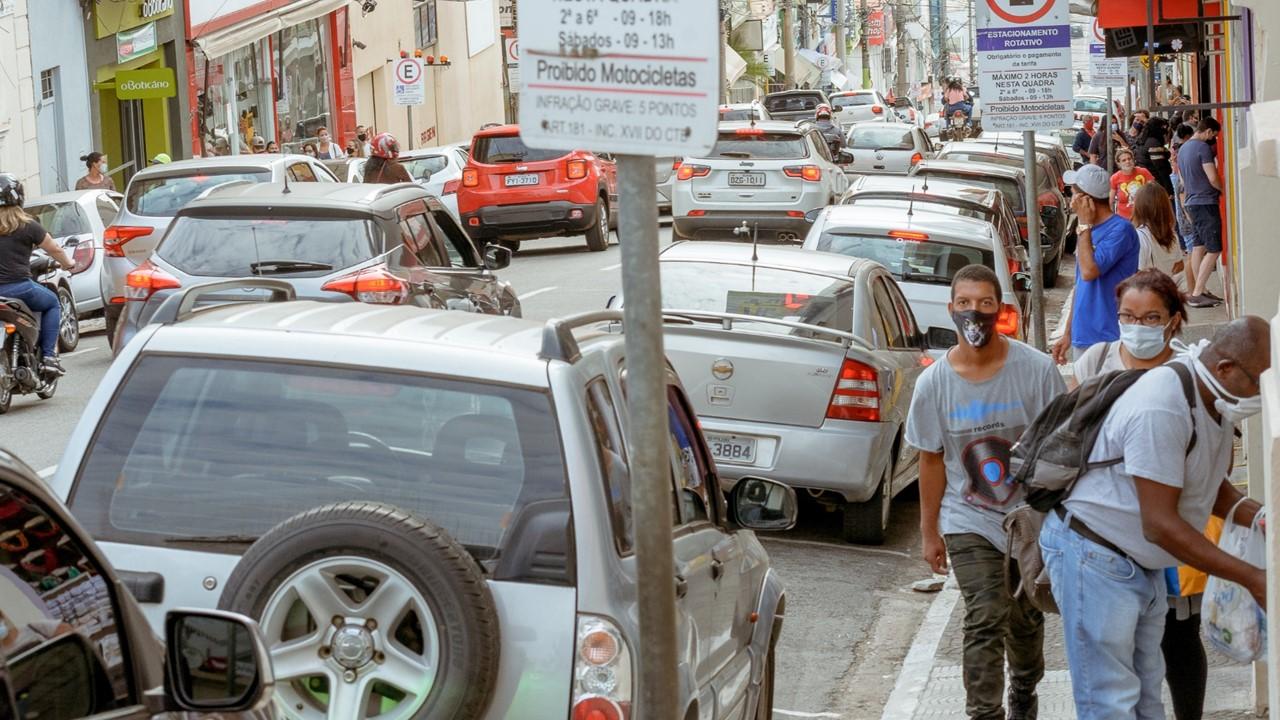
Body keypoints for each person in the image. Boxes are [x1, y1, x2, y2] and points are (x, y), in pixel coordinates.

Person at [1042, 316, 1269, 720]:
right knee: (1109, 701)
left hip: (1137, 563)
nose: (1260, 397)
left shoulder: (1210, 396)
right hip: (1096, 557)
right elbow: (1160, 523)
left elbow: (1210, 488)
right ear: (1226, 369)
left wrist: (1260, 517)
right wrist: (1251, 577)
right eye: (1258, 384)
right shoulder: (1163, 406)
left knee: (1146, 695)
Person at [907, 264, 1066, 720]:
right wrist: (929, 532)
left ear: (1002, 311)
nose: (973, 313)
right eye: (964, 304)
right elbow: (932, 459)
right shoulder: (933, 384)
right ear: (950, 310)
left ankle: (1024, 689)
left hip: (1029, 517)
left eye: (985, 303)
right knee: (985, 613)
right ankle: (984, 712)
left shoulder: (1034, 371)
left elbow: (1059, 446)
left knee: (1024, 619)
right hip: (968, 517)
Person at [1067, 270, 1211, 720]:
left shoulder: (1188, 372)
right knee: (1120, 656)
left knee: (1179, 637)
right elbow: (1071, 435)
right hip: (1107, 537)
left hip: (1170, 526)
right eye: (1128, 316)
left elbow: (1209, 460)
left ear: (1172, 320)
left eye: (1151, 317)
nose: (1138, 326)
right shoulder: (1096, 361)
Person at [1052, 164, 1141, 364]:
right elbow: (1080, 285)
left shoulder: (1120, 230)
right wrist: (1068, 333)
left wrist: (1083, 225)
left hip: (1109, 336)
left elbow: (1089, 271)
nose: (1071, 198)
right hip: (1084, 334)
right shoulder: (1087, 232)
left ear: (1086, 199)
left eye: (1074, 193)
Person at [0, 174, 74, 376]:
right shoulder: (28, 225)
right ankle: (49, 356)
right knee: (52, 303)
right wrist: (69, 264)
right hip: (19, 288)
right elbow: (54, 249)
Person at [1178, 117, 1224, 308]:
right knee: (1214, 249)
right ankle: (1197, 293)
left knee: (1198, 247)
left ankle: (1201, 289)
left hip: (1191, 202)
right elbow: (1212, 176)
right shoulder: (1202, 148)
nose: (1213, 139)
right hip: (1206, 202)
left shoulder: (1183, 149)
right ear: (1208, 131)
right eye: (1213, 135)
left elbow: (1181, 179)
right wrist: (1222, 189)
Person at [1131, 183, 1184, 281]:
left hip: (1148, 290)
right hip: (1164, 288)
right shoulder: (1172, 234)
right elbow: (1179, 265)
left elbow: (1137, 271)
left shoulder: (1140, 236)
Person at [1170, 123, 1199, 292]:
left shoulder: (1179, 177)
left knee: (1192, 255)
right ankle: (1194, 290)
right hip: (1187, 222)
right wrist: (1192, 220)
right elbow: (1183, 202)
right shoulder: (1181, 181)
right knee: (1191, 256)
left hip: (1186, 221)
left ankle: (1196, 289)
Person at [1109, 148, 1155, 220]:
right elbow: (1110, 201)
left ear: (1133, 159)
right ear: (1118, 163)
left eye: (1129, 159)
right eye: (1124, 160)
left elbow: (1154, 192)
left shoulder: (1143, 172)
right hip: (1124, 219)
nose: (1127, 161)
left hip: (1144, 217)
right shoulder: (1114, 178)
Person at [1134, 116, 1173, 196]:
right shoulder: (1154, 143)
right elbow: (1160, 167)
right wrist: (1169, 189)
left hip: (1145, 182)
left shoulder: (1143, 141)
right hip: (1156, 184)